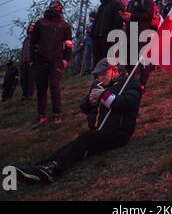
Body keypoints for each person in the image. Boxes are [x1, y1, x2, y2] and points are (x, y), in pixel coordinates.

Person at [12, 57, 142, 183]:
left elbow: (128, 104)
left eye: (102, 73)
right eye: (97, 75)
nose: (99, 78)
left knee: (85, 139)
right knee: (74, 144)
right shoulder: (99, 85)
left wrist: (104, 95)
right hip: (99, 131)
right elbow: (83, 107)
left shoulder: (130, 83)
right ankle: (43, 167)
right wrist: (90, 102)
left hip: (119, 132)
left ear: (114, 70)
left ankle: (53, 168)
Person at [30, 0, 72, 128]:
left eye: (59, 7)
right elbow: (33, 42)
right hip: (41, 59)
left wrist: (66, 59)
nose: (57, 9)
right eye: (55, 7)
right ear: (50, 8)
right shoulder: (41, 23)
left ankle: (57, 114)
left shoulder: (64, 26)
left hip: (57, 60)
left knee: (55, 86)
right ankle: (41, 115)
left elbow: (69, 44)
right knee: (41, 87)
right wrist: (33, 60)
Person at [119, 0, 155, 93]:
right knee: (130, 59)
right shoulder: (131, 1)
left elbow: (149, 15)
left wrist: (132, 16)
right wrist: (124, 16)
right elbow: (130, 17)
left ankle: (142, 83)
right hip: (131, 32)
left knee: (143, 58)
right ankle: (132, 81)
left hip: (143, 32)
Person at [91, 0, 125, 67]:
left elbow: (118, 21)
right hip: (98, 39)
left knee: (108, 63)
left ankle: (110, 79)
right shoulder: (102, 6)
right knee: (98, 63)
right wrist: (93, 33)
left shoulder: (117, 3)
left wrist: (112, 36)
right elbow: (96, 21)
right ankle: (98, 80)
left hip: (108, 39)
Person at [20, 23, 34, 101]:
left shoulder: (35, 38)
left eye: (32, 28)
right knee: (23, 78)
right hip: (24, 61)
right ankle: (25, 94)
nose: (30, 29)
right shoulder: (26, 39)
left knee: (31, 79)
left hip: (31, 61)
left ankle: (30, 95)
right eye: (30, 27)